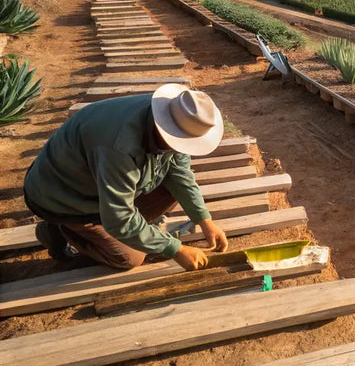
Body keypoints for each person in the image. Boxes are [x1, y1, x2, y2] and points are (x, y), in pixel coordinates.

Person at [23, 84, 229, 271]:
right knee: (130, 258)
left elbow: (179, 172)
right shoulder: (119, 147)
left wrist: (204, 220)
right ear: (166, 130)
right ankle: (61, 229)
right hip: (63, 197)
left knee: (169, 192)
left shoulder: (173, 116)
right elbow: (119, 219)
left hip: (98, 185)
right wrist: (174, 248)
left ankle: (111, 232)